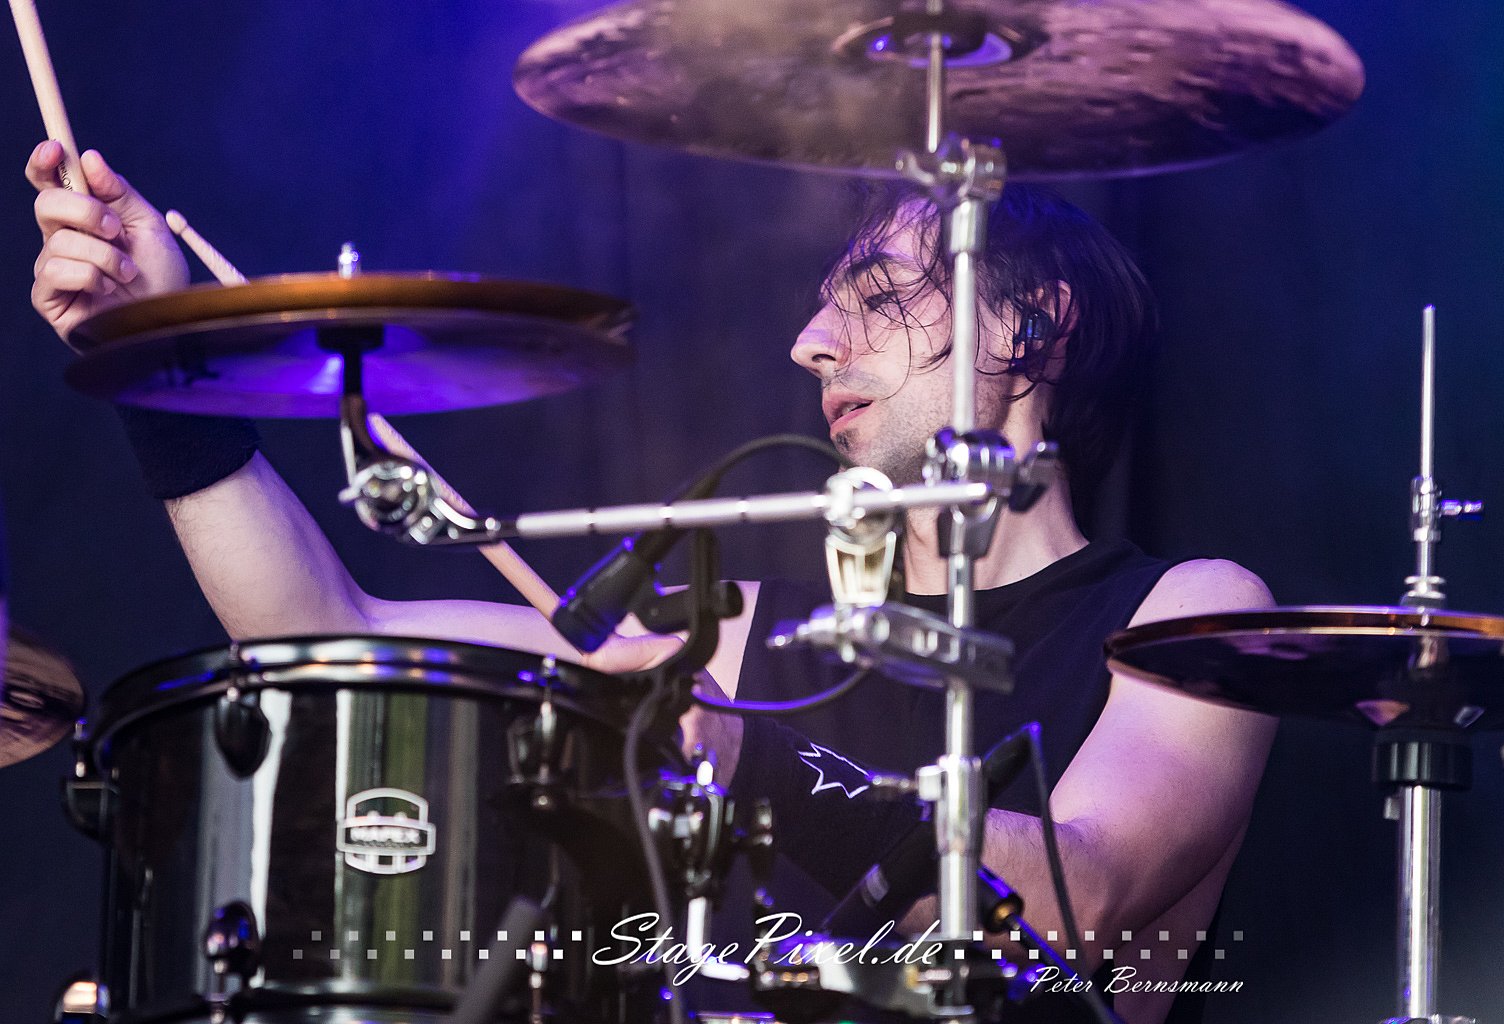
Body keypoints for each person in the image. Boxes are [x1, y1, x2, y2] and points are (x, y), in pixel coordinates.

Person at [25, 140, 1275, 1024]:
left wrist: (759, 760)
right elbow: (319, 626)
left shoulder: (1189, 614)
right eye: (825, 307)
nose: (812, 344)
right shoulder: (741, 638)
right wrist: (157, 362)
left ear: (1027, 326)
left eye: (878, 296)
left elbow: (1073, 899)